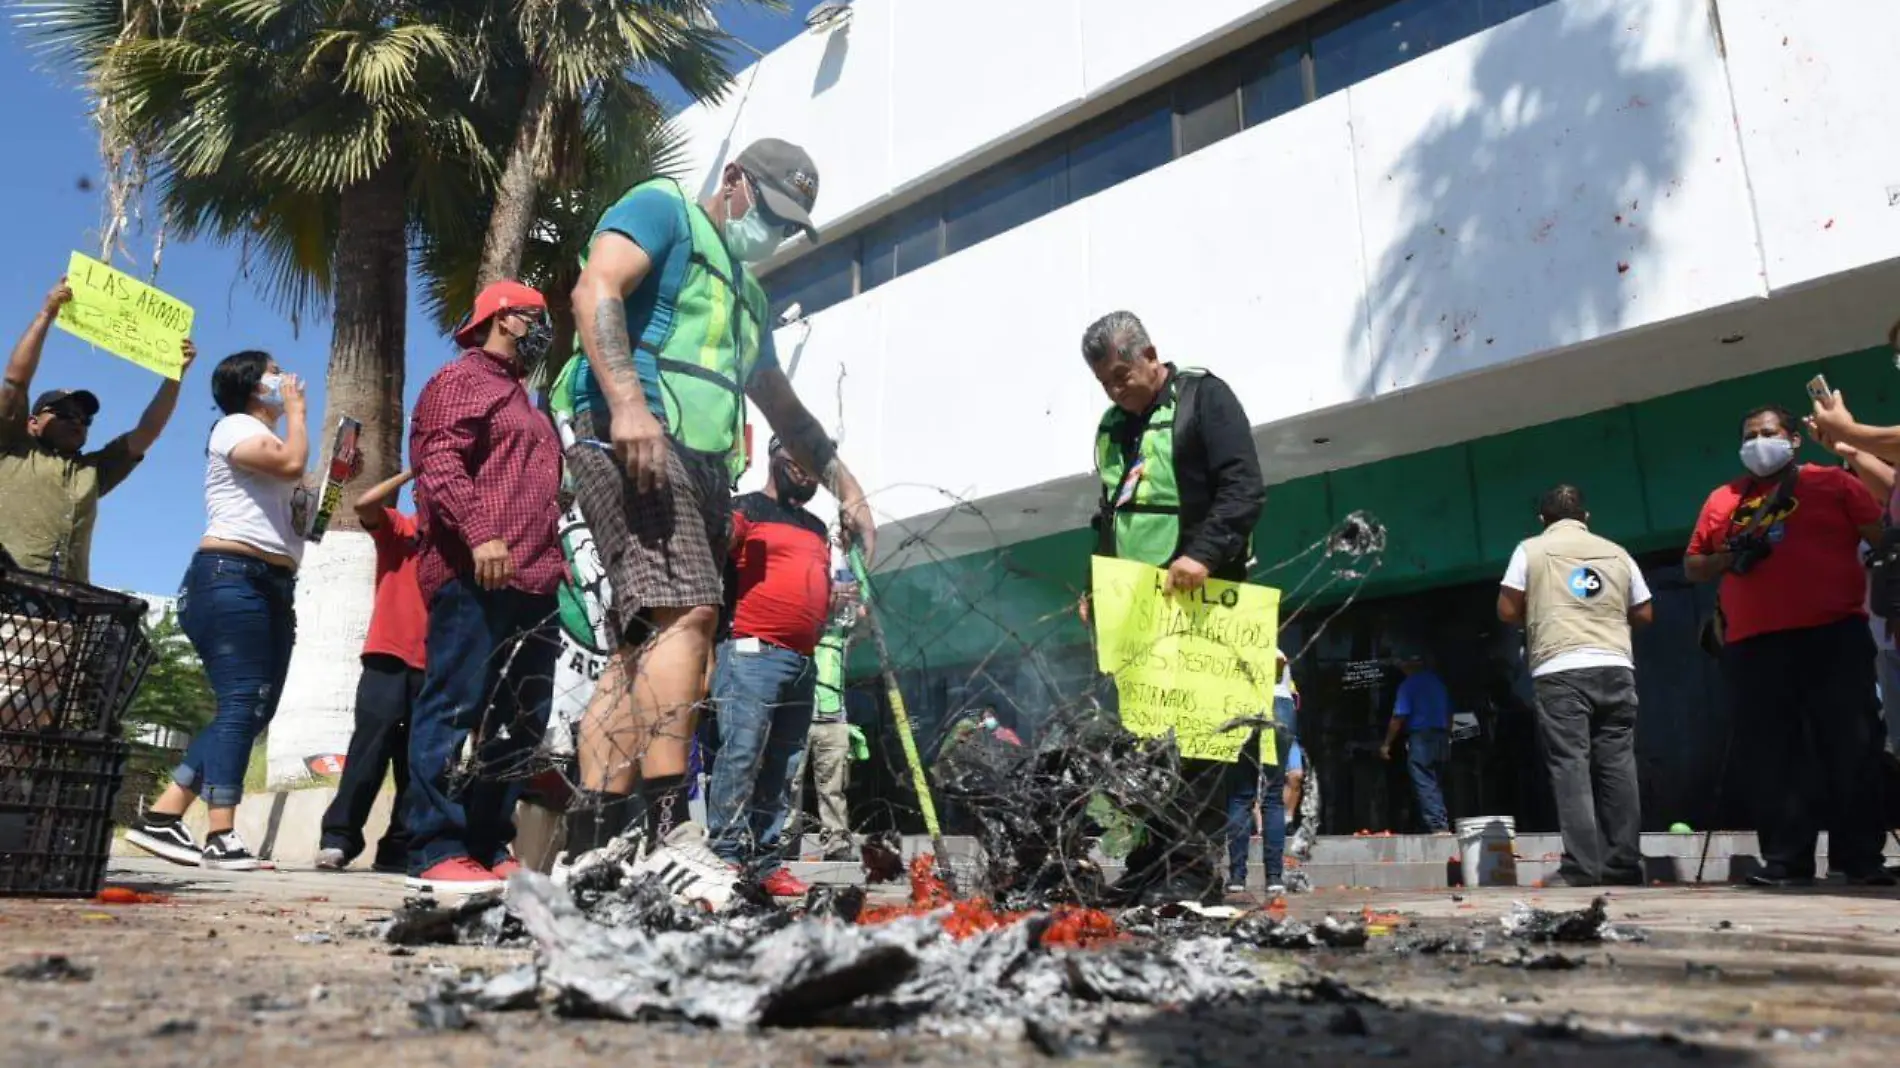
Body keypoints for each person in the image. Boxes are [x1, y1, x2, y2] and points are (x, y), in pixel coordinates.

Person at [560, 137, 874, 910]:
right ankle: (670, 831)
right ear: (733, 182)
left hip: (701, 466)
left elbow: (782, 407)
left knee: (641, 646)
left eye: (786, 225)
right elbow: (594, 285)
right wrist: (628, 401)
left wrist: (846, 484)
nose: (769, 231)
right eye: (768, 211)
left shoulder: (751, 299)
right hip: (632, 432)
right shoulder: (663, 209)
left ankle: (596, 842)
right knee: (688, 612)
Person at [1083, 310, 1265, 905]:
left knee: (1199, 742)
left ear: (1149, 355)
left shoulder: (1204, 399)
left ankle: (1192, 869)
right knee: (1143, 747)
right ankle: (1147, 861)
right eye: (1104, 383)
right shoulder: (1114, 427)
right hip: (1137, 613)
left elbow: (1243, 488)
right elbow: (1108, 512)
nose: (1115, 391)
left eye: (1120, 376)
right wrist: (1097, 585)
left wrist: (1203, 555)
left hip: (1203, 601)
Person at [124, 352, 320, 870]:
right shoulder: (232, 427)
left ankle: (163, 817)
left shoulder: (274, 441)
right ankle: (221, 834)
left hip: (274, 584)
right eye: (274, 371)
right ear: (253, 387)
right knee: (240, 701)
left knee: (257, 706)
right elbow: (292, 465)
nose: (284, 379)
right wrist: (299, 412)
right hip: (231, 578)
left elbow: (299, 509)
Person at [1686, 403, 1892, 887]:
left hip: (1834, 634)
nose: (1759, 441)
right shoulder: (1723, 499)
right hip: (1753, 645)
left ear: (1793, 439)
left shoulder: (1833, 483)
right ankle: (1785, 860)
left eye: (1769, 432)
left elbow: (1881, 535)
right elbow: (1694, 565)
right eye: (1750, 434)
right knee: (1772, 756)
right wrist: (1729, 555)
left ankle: (1860, 859)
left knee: (1851, 746)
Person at [405, 281, 565, 895]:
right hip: (479, 574)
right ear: (505, 320)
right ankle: (434, 845)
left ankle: (486, 840)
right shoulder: (462, 381)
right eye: (537, 317)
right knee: (453, 706)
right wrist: (481, 534)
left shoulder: (524, 399)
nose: (544, 329)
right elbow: (439, 464)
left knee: (521, 718)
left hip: (535, 579)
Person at [1496, 484, 1654, 887]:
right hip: (1616, 666)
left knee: (1571, 766)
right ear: (1586, 518)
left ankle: (1582, 868)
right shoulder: (1618, 552)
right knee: (1618, 764)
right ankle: (1624, 864)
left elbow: (1507, 609)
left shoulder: (1530, 550)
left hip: (1561, 667)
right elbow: (1645, 612)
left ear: (1542, 520)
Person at [703, 438, 836, 897]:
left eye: (818, 466)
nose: (810, 473)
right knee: (741, 754)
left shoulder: (819, 528)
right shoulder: (747, 509)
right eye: (803, 461)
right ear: (778, 455)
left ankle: (765, 861)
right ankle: (723, 855)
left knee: (784, 764)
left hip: (802, 661)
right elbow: (714, 552)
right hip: (751, 652)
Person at [0, 278, 196, 582]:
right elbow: (15, 381)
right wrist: (46, 315)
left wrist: (176, 375)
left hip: (66, 604)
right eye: (64, 413)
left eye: (84, 418)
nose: (76, 421)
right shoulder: (12, 447)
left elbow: (146, 432)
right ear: (32, 421)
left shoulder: (92, 472)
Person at [315, 469, 426, 873]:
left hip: (434, 665)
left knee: (419, 763)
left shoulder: (462, 542)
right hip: (387, 655)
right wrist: (414, 469)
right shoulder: (400, 527)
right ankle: (338, 839)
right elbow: (364, 504)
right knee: (369, 749)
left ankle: (397, 848)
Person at [787, 574, 865, 862]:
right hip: (798, 716)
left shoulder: (838, 634)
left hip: (833, 719)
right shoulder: (797, 631)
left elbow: (864, 618)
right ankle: (786, 840)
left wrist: (853, 597)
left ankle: (837, 843)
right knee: (789, 783)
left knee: (833, 787)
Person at [1380, 650, 1453, 833]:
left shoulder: (1408, 685)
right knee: (1436, 782)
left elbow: (1399, 716)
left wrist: (1387, 743)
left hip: (1422, 737)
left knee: (1424, 782)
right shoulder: (1437, 683)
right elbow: (1449, 713)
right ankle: (1434, 822)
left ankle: (1438, 827)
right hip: (1441, 736)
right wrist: (1448, 736)